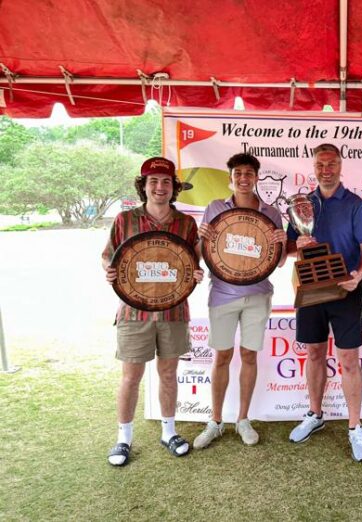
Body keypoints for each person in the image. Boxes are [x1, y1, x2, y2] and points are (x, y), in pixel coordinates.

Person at [102, 157, 204, 466]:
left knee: (169, 373)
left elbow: (193, 264)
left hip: (174, 312)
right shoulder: (125, 220)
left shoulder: (186, 223)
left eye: (166, 182)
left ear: (173, 188)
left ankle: (169, 431)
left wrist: (196, 273)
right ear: (144, 186)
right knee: (131, 377)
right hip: (134, 313)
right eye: (154, 182)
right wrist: (109, 271)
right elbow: (108, 257)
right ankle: (123, 438)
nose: (160, 187)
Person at [286, 143, 362, 462]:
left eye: (332, 163)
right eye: (320, 164)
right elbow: (287, 249)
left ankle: (354, 426)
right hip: (310, 290)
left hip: (345, 289)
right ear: (314, 167)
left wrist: (358, 274)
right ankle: (315, 414)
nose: (326, 169)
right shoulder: (301, 204)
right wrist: (296, 244)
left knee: (349, 358)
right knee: (313, 352)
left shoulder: (354, 204)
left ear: (340, 166)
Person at [193, 153, 286, 450]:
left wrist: (282, 245)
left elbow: (279, 262)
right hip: (221, 294)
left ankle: (243, 419)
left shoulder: (271, 213)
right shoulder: (215, 208)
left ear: (256, 177)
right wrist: (200, 237)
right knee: (221, 357)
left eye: (249, 173)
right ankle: (216, 421)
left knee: (249, 356)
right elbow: (201, 253)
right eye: (238, 173)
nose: (243, 178)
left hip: (258, 294)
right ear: (230, 178)